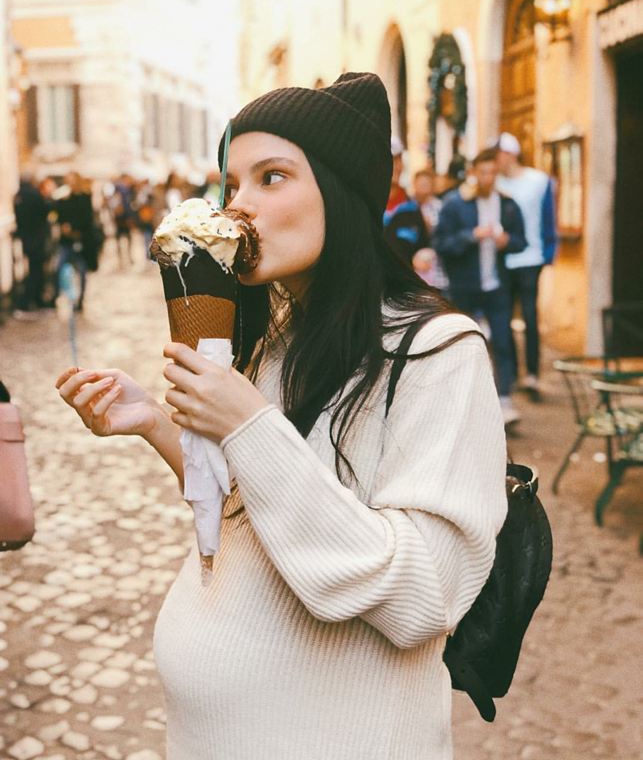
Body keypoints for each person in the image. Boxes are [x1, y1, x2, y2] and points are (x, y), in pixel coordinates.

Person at [56, 72, 508, 760]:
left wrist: (248, 424)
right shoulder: (277, 334)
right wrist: (157, 424)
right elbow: (254, 505)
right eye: (233, 183)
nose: (238, 207)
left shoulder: (440, 352)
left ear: (341, 194)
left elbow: (424, 597)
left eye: (271, 177)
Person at [434, 148, 527, 425]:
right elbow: (441, 243)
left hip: (497, 285)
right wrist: (471, 236)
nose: (488, 178)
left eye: (493, 173)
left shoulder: (507, 204)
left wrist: (507, 241)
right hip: (465, 286)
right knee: (464, 343)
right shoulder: (455, 204)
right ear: (474, 173)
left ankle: (504, 400)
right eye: (483, 172)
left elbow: (521, 241)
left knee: (502, 341)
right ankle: (462, 402)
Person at [495, 132, 557, 400]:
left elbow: (548, 217)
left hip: (531, 258)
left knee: (530, 317)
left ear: (511, 155)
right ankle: (512, 372)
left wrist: (548, 253)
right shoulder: (495, 183)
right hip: (504, 258)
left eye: (499, 154)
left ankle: (532, 374)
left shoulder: (538, 181)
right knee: (505, 317)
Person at [53, 172, 99, 311]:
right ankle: (56, 296)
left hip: (82, 240)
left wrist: (73, 228)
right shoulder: (64, 198)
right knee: (58, 268)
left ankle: (80, 299)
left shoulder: (85, 197)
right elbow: (59, 215)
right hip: (67, 241)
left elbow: (86, 218)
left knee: (82, 271)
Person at [13, 172, 52, 314]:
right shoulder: (33, 195)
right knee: (36, 271)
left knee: (34, 270)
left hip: (27, 238)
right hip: (36, 238)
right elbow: (45, 209)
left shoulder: (19, 195)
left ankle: (34, 300)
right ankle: (29, 301)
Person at [384, 135, 409, 218]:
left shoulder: (409, 203)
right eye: (393, 161)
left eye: (400, 160)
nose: (398, 167)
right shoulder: (368, 201)